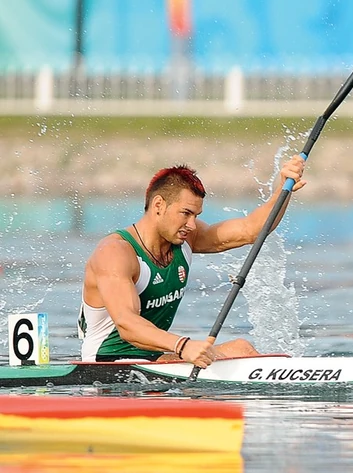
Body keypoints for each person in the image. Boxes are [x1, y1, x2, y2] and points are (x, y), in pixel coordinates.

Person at [78, 156, 307, 368]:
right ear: (158, 205)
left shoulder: (185, 239)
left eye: (196, 215)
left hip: (154, 357)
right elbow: (128, 325)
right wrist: (184, 346)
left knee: (241, 348)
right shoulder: (115, 252)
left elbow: (251, 230)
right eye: (186, 213)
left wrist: (282, 190)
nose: (193, 225)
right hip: (108, 363)